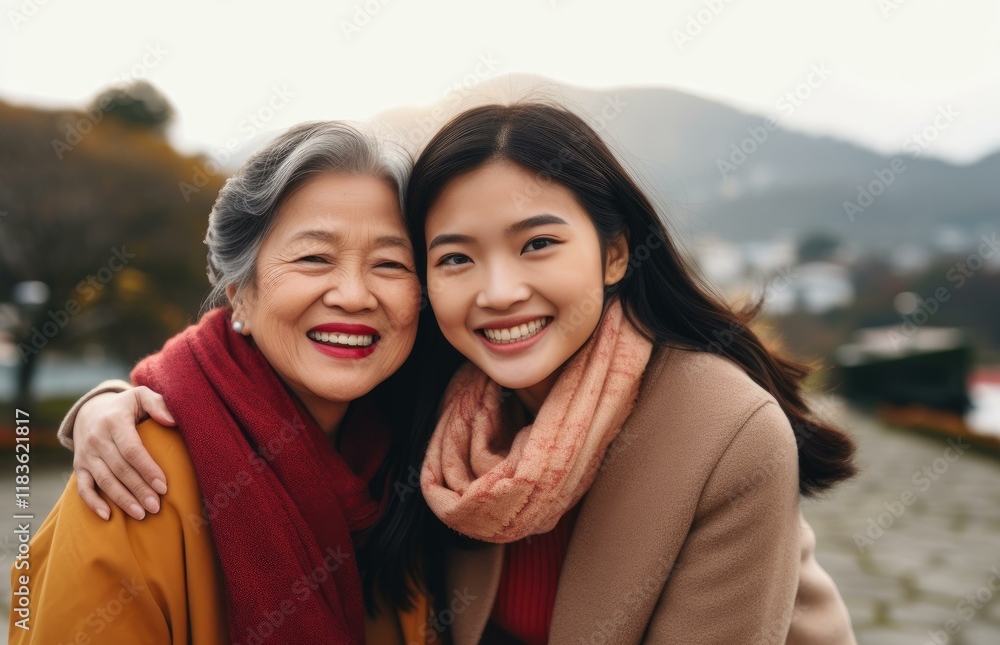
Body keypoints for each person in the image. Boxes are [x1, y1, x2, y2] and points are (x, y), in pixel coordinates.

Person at [52, 103, 859, 643]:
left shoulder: (721, 435)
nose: (500, 290)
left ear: (616, 251)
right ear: (241, 290)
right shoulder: (446, 405)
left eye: (539, 243)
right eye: (455, 257)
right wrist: (107, 403)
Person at [8, 120, 435, 645]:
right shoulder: (133, 475)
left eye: (390, 263)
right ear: (240, 293)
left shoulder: (430, 461)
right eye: (314, 258)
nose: (353, 294)